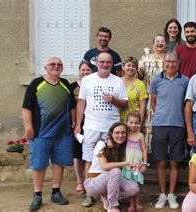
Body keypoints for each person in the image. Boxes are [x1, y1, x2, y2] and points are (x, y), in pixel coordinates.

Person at [74, 52, 128, 207]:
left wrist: (114, 100)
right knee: (89, 159)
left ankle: (108, 193)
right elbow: (81, 103)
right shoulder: (87, 80)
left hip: (110, 129)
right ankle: (90, 192)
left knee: (110, 160)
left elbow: (125, 103)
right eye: (102, 62)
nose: (105, 64)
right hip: (91, 126)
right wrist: (78, 125)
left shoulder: (118, 81)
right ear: (96, 62)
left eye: (108, 62)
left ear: (112, 64)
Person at [23, 57, 76, 210]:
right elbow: (26, 108)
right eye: (52, 64)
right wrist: (28, 127)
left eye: (59, 64)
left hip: (63, 133)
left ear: (62, 68)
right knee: (39, 165)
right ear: (45, 67)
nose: (56, 66)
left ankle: (56, 192)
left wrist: (73, 124)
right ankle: (37, 195)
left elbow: (72, 106)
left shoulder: (65, 84)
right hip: (40, 133)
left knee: (59, 163)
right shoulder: (36, 84)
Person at [150, 52, 189, 209]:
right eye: (168, 61)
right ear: (163, 63)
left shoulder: (185, 80)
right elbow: (153, 102)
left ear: (178, 63)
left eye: (173, 62)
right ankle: (162, 195)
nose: (170, 64)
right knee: (160, 161)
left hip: (178, 125)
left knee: (174, 161)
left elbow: (187, 103)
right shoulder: (156, 80)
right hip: (160, 125)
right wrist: (162, 114)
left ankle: (172, 194)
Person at [84, 122, 140, 212]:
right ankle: (112, 206)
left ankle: (107, 198)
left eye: (123, 132)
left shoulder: (123, 147)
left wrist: (137, 166)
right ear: (111, 134)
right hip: (93, 184)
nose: (120, 135)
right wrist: (126, 162)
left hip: (111, 182)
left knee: (134, 188)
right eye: (117, 133)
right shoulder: (101, 144)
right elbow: (105, 166)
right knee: (116, 171)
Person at [68, 60, 94, 195]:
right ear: (79, 71)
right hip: (77, 124)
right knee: (77, 153)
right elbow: (70, 106)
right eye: (83, 70)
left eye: (88, 70)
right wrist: (74, 123)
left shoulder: (95, 84)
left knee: (89, 155)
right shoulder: (71, 87)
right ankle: (80, 181)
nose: (85, 72)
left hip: (92, 123)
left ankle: (90, 181)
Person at [138, 35, 167, 153]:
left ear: (165, 44)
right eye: (157, 41)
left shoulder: (168, 59)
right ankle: (147, 154)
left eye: (162, 41)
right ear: (153, 44)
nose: (160, 43)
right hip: (148, 98)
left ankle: (161, 152)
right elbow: (139, 77)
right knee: (148, 125)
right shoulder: (145, 59)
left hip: (164, 99)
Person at [121, 113, 147, 212]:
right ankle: (131, 204)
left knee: (138, 185)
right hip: (127, 165)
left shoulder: (140, 135)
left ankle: (138, 203)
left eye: (136, 123)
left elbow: (144, 150)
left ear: (139, 124)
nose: (133, 125)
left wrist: (144, 163)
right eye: (131, 122)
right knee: (129, 185)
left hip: (137, 165)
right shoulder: (125, 135)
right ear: (126, 122)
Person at [121, 57, 148, 122]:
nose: (131, 68)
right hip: (118, 120)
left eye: (133, 66)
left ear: (136, 69)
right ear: (123, 67)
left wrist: (139, 124)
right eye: (128, 65)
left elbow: (142, 108)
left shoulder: (140, 84)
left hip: (133, 122)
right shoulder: (117, 82)